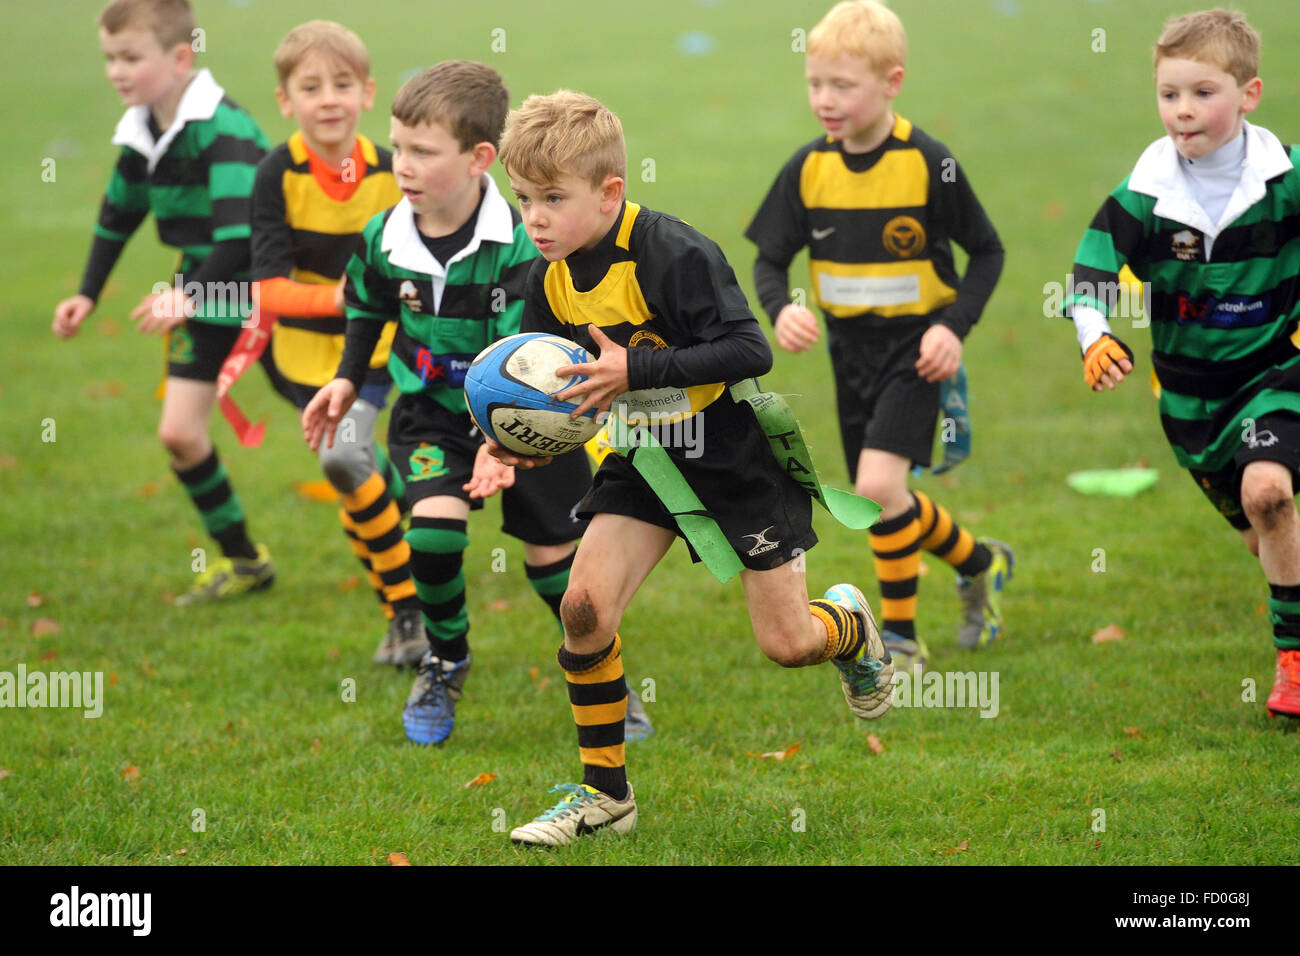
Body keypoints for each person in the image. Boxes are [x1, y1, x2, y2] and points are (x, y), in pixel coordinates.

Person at [494, 89, 894, 848]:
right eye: (522, 199)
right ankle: (605, 796)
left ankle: (846, 626)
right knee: (583, 610)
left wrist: (635, 370)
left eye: (552, 198)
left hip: (732, 454)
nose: (534, 218)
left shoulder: (674, 253)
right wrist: (517, 439)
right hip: (646, 459)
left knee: (787, 646)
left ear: (611, 193)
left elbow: (750, 349)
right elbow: (556, 390)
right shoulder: (546, 279)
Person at [300, 63, 652, 746]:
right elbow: (367, 310)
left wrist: (502, 447)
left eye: (422, 152)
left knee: (558, 569)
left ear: (479, 159)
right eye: (397, 147)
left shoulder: (523, 246)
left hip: (540, 420)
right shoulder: (382, 238)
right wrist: (347, 380)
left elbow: (522, 357)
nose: (401, 164)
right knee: (432, 533)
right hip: (432, 412)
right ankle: (445, 660)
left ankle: (606, 680)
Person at [746, 0, 1012, 671]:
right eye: (815, 84)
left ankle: (896, 638)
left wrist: (954, 328)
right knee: (878, 497)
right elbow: (769, 260)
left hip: (917, 352)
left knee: (877, 488)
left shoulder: (928, 162)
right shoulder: (809, 168)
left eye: (844, 86)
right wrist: (781, 309)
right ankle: (980, 563)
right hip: (848, 353)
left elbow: (987, 251)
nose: (825, 100)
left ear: (891, 83)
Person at [1062, 8, 1300, 719]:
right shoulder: (1145, 196)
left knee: (1269, 494)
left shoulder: (1284, 179)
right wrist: (1095, 338)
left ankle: (1292, 667)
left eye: (1203, 93)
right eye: (1170, 95)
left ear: (1248, 94)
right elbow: (1086, 279)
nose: (1183, 111)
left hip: (1277, 371)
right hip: (1191, 406)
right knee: (1262, 537)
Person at [52, 0, 274, 604]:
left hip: (265, 288)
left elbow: (241, 239)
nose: (116, 72)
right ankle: (246, 561)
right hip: (201, 288)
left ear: (180, 57)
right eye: (109, 58)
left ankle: (412, 539)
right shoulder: (143, 129)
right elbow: (118, 212)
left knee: (336, 435)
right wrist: (87, 292)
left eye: (130, 57)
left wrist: (189, 294)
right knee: (180, 434)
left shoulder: (221, 128)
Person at [250, 20, 422, 666]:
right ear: (285, 101)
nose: (328, 99)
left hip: (377, 355)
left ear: (368, 93)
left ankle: (408, 614)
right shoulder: (276, 175)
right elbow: (267, 289)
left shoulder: (391, 170)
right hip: (301, 359)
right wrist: (345, 297)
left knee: (345, 463)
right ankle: (408, 588)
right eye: (310, 86)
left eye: (342, 84)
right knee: (358, 472)